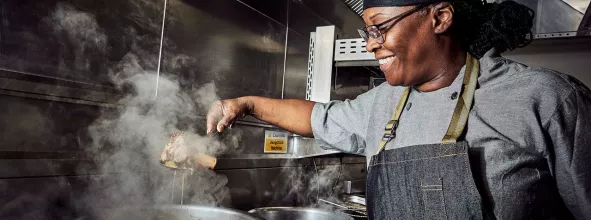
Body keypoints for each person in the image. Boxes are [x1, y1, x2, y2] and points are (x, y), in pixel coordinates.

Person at [205, 0, 591, 219]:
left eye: (379, 28)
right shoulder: (384, 102)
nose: (371, 45)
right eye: (367, 32)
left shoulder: (546, 97)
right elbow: (314, 118)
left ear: (439, 17)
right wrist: (244, 103)